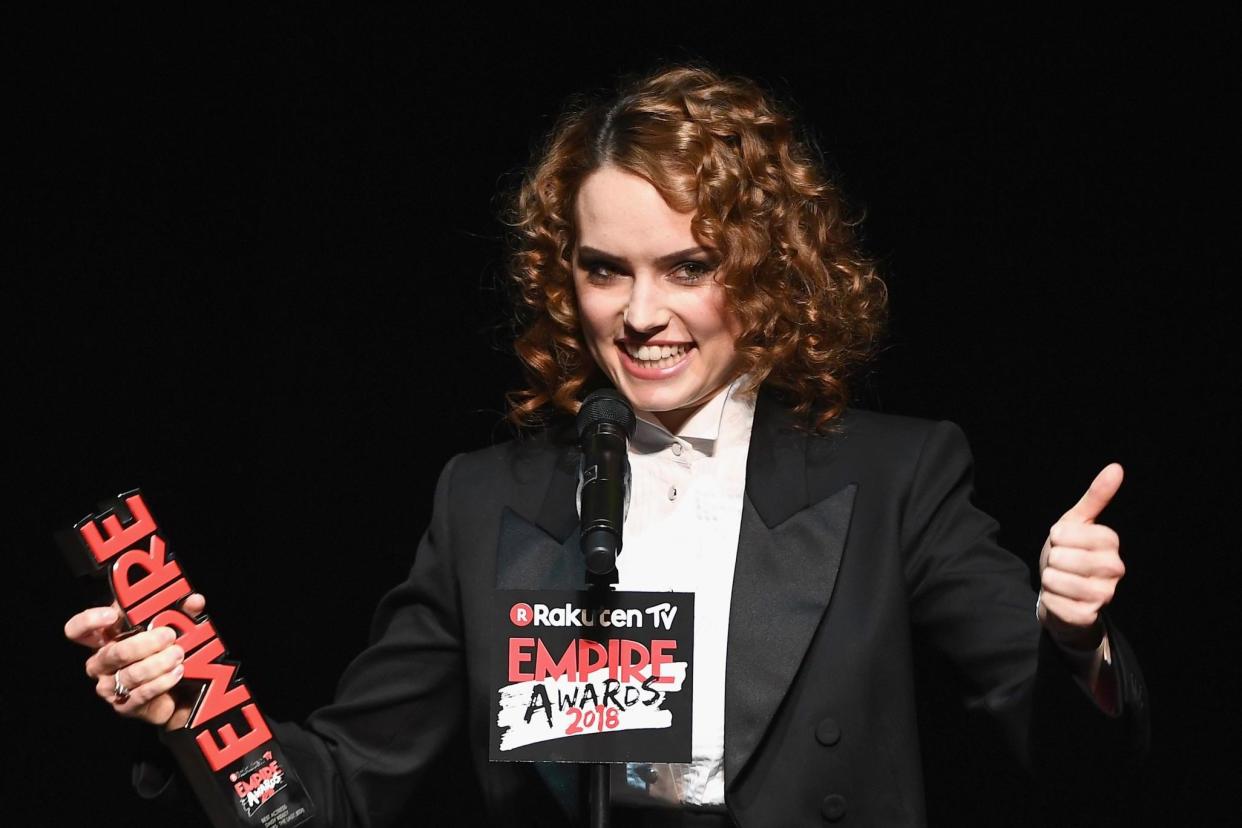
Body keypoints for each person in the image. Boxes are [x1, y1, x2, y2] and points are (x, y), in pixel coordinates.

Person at [63, 62, 1148, 826]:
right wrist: (191, 712)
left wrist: (1071, 639)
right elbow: (339, 789)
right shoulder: (490, 501)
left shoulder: (892, 473)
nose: (640, 312)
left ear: (767, 270)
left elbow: (1075, 762)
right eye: (603, 269)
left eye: (686, 266)